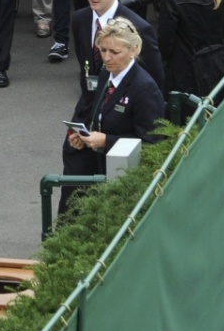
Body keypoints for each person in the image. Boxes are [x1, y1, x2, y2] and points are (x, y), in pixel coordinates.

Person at [60, 18, 167, 207]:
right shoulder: (105, 74)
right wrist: (83, 137)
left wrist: (106, 141)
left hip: (124, 177)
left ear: (133, 50)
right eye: (103, 50)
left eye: (115, 52)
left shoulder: (145, 89)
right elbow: (98, 116)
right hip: (100, 165)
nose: (107, 58)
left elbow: (154, 144)